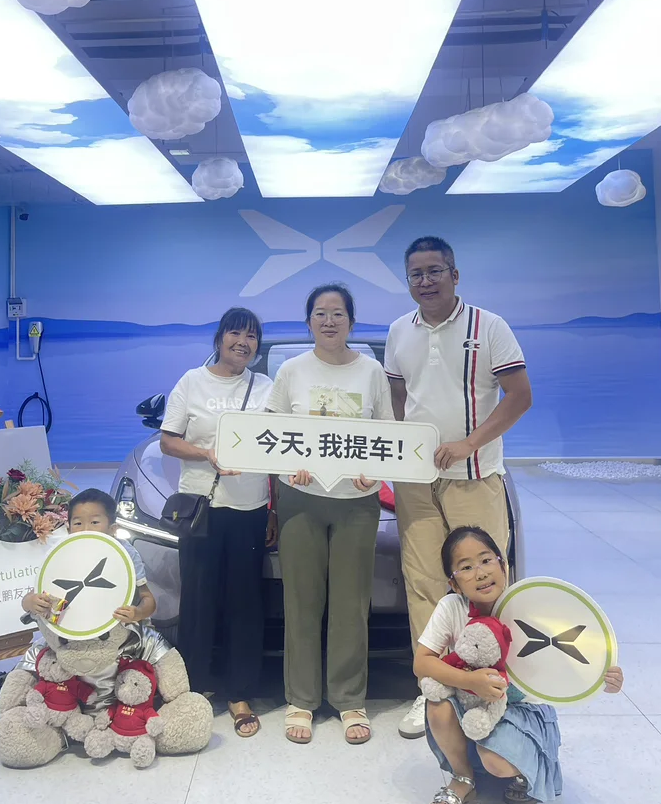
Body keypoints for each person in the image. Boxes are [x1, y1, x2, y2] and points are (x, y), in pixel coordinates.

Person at [385, 236, 533, 740]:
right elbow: (398, 399)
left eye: (435, 271)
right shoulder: (398, 331)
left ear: (454, 274)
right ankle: (434, 687)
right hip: (417, 482)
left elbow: (519, 396)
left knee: (486, 583)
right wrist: (397, 454)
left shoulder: (489, 326)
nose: (425, 281)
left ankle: (500, 686)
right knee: (425, 582)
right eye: (416, 274)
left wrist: (470, 442)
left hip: (474, 476)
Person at [417, 526, 624, 804]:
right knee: (437, 704)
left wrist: (605, 677)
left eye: (486, 560)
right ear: (454, 583)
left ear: (503, 564)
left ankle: (523, 768)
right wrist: (468, 680)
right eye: (466, 567)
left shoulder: (530, 603)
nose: (480, 573)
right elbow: (422, 662)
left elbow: (577, 648)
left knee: (496, 762)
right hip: (470, 702)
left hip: (521, 707)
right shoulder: (452, 607)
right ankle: (463, 778)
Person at [266, 283, 394, 745]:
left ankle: (349, 699)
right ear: (309, 322)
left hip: (357, 501)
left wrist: (373, 473)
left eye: (338, 313)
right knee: (301, 601)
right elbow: (271, 430)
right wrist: (288, 465)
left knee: (350, 604)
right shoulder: (292, 371)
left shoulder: (371, 371)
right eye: (320, 313)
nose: (329, 321)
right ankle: (301, 699)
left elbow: (387, 433)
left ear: (351, 322)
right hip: (301, 498)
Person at [160, 307, 275, 738]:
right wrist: (206, 454)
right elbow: (168, 441)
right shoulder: (192, 382)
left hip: (250, 507)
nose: (242, 342)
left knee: (245, 603)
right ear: (220, 337)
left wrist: (274, 509)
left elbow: (279, 448)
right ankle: (193, 688)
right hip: (201, 507)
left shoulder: (265, 387)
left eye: (251, 336)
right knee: (198, 600)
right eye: (235, 334)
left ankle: (239, 693)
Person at [23, 487, 156, 624]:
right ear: (69, 529)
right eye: (78, 523)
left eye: (95, 522)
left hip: (118, 627)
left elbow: (147, 598)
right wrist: (31, 602)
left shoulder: (126, 554)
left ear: (112, 529)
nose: (86, 529)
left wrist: (138, 613)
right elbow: (29, 598)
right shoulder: (61, 554)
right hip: (74, 627)